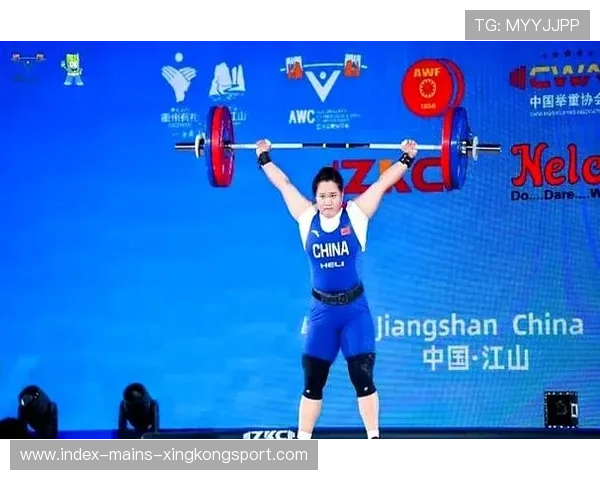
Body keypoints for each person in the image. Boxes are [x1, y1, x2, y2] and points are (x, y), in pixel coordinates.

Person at [256, 138, 418, 440]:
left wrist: (406, 158)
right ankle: (302, 445)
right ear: (315, 197)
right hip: (322, 314)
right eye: (322, 196)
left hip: (354, 312)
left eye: (333, 195)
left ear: (342, 196)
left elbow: (382, 184)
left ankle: (374, 440)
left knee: (362, 376)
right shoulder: (306, 218)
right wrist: (263, 157)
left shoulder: (355, 215)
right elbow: (284, 185)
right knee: (312, 381)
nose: (327, 201)